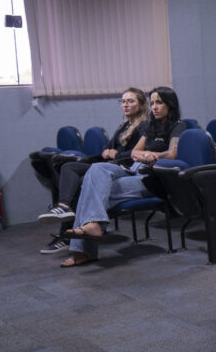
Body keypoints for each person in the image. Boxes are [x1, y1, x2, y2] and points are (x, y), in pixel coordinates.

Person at [58, 87, 188, 268]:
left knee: (88, 190)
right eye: (152, 103)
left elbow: (173, 153)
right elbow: (135, 152)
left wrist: (153, 156)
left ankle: (82, 252)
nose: (155, 107)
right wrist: (146, 154)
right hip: (133, 168)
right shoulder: (151, 125)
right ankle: (92, 230)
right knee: (96, 170)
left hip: (151, 177)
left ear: (170, 105)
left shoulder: (178, 125)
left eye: (159, 102)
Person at [37, 88, 149, 253]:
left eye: (130, 101)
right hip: (108, 164)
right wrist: (107, 151)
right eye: (123, 101)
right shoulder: (124, 125)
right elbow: (107, 147)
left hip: (122, 168)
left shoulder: (145, 126)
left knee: (78, 182)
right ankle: (64, 209)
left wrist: (116, 153)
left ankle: (66, 233)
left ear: (140, 104)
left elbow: (137, 154)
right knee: (69, 168)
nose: (125, 105)